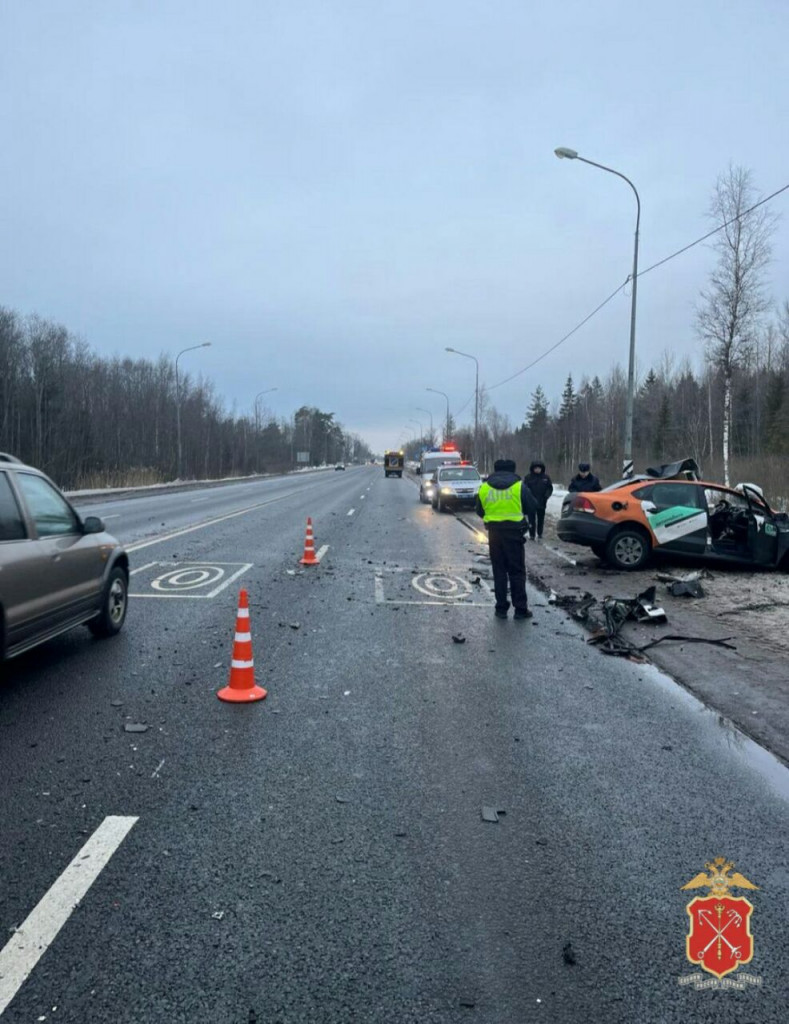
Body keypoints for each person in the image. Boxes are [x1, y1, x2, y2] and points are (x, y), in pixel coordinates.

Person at [475, 458, 538, 620]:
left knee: (499, 571)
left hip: (495, 534)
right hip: (514, 533)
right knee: (517, 571)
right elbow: (532, 507)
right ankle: (520, 610)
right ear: (513, 469)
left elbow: (479, 510)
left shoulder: (484, 487)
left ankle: (501, 609)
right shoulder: (519, 486)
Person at [524, 460, 553, 542]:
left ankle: (540, 533)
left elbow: (549, 488)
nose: (537, 470)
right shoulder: (528, 477)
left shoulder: (546, 478)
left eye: (539, 468)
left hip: (542, 501)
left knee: (541, 519)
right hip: (531, 502)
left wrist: (546, 496)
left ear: (542, 469)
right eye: (535, 468)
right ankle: (532, 534)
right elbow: (525, 489)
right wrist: (528, 498)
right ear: (532, 468)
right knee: (531, 519)